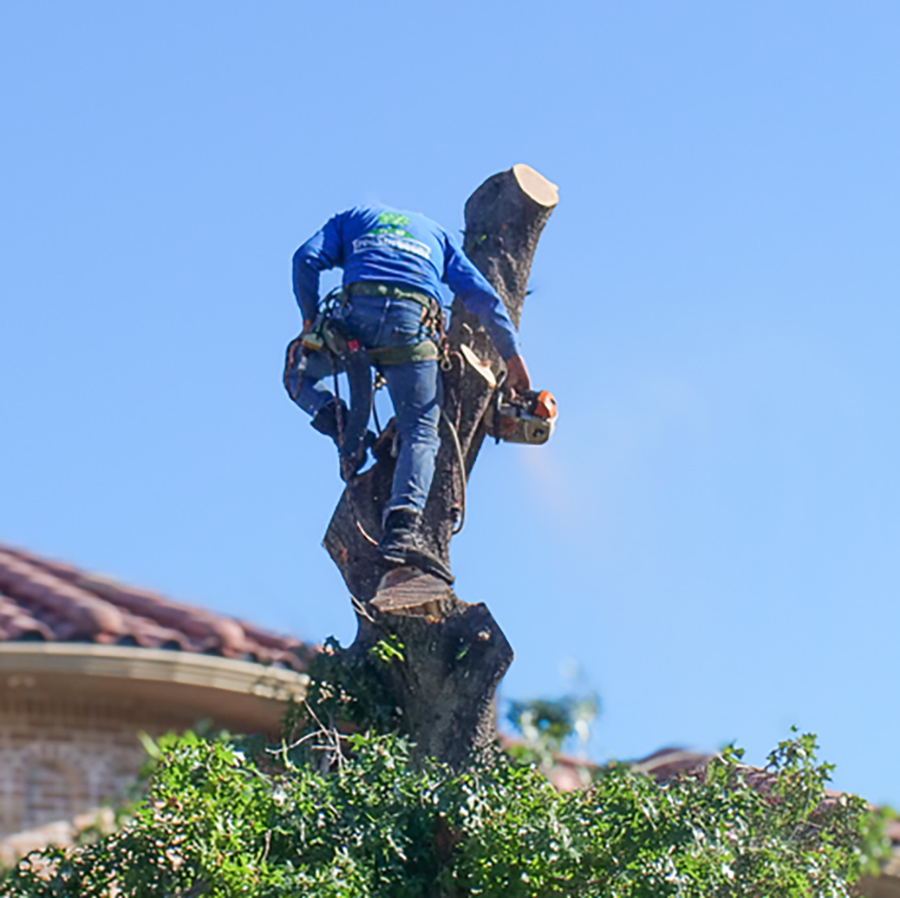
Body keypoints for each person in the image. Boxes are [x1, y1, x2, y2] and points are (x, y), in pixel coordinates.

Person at [290, 204, 531, 579]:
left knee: (298, 374)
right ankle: (402, 530)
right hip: (411, 330)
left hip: (354, 322)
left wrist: (309, 321)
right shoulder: (437, 234)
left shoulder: (351, 219)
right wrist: (513, 359)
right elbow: (484, 299)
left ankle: (346, 429)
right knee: (421, 429)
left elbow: (306, 258)